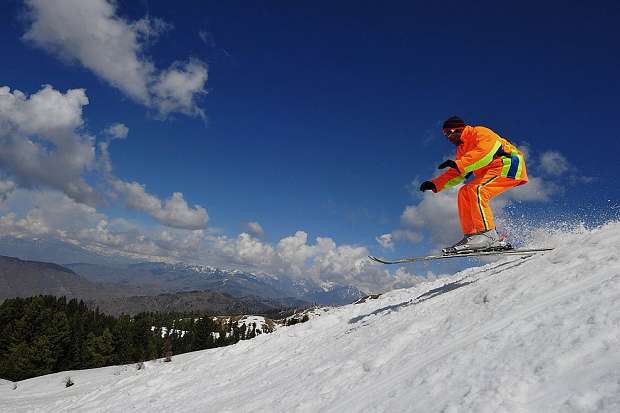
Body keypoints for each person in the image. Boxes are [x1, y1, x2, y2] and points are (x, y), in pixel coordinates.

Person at [420, 116, 528, 253]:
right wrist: (435, 184)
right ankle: (473, 236)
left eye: (448, 133)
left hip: (507, 165)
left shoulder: (480, 132)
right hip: (490, 170)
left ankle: (488, 236)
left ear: (457, 129)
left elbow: (485, 154)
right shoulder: (461, 149)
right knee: (464, 192)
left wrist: (459, 164)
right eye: (444, 134)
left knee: (477, 190)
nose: (447, 137)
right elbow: (459, 173)